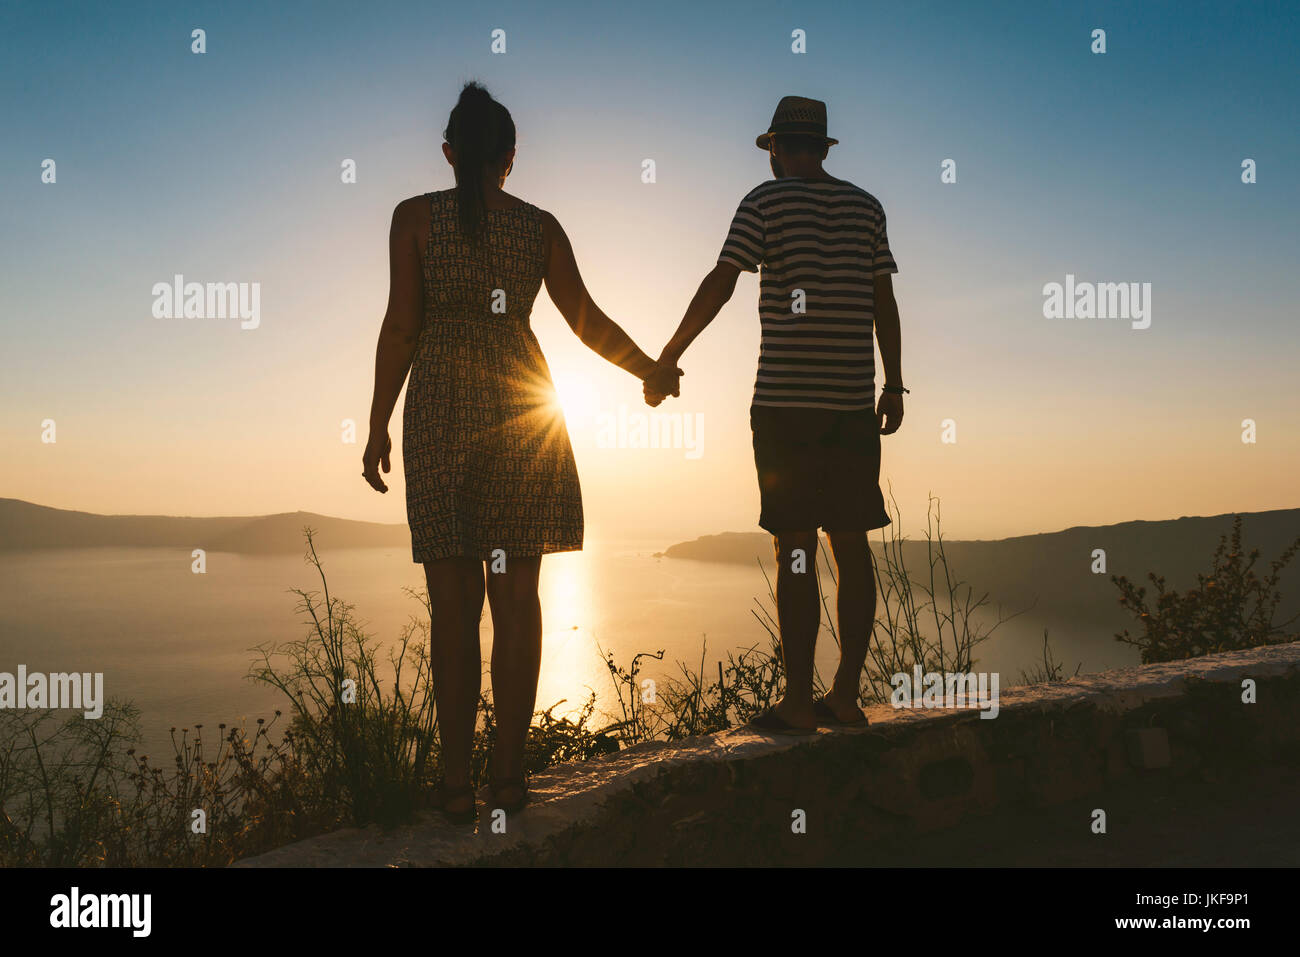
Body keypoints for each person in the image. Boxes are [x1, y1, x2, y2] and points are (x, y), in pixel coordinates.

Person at [363, 82, 680, 822]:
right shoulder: (540, 227)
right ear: (511, 157)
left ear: (448, 153)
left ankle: (453, 785)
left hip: (439, 410)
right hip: (521, 410)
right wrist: (650, 371)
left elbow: (401, 327)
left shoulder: (413, 219)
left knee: (452, 610)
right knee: (516, 604)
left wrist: (378, 421)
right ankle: (508, 777)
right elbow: (584, 319)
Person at [645, 95, 905, 733]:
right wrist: (894, 384)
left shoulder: (763, 203)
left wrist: (668, 355)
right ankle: (846, 697)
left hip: (786, 405)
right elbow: (884, 301)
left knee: (796, 548)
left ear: (778, 151)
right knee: (851, 546)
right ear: (820, 147)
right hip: (849, 405)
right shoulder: (865, 207)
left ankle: (797, 703)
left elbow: (723, 279)